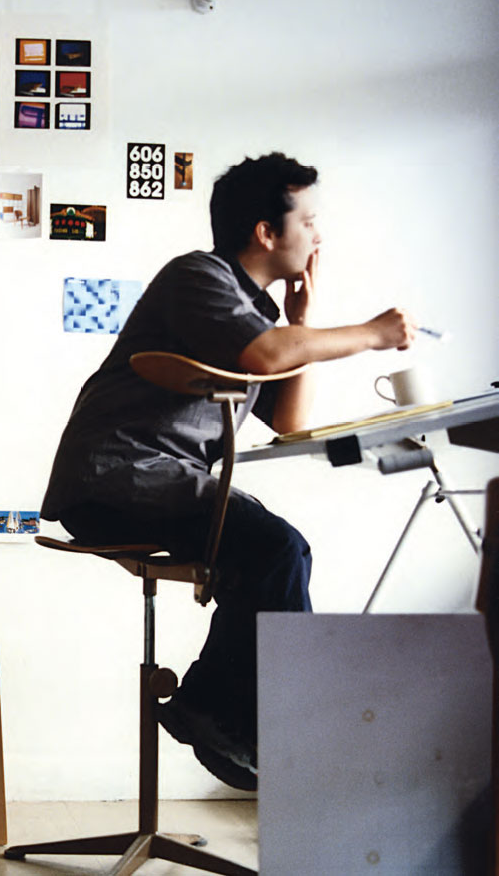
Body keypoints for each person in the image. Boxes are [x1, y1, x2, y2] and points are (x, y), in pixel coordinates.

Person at [40, 152, 415, 790]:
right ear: (266, 232)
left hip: (158, 479)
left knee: (273, 552)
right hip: (116, 476)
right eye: (309, 219)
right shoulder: (200, 276)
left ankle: (218, 710)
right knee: (278, 548)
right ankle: (227, 714)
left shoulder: (259, 318)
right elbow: (267, 357)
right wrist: (371, 334)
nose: (318, 235)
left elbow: (288, 417)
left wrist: (299, 325)